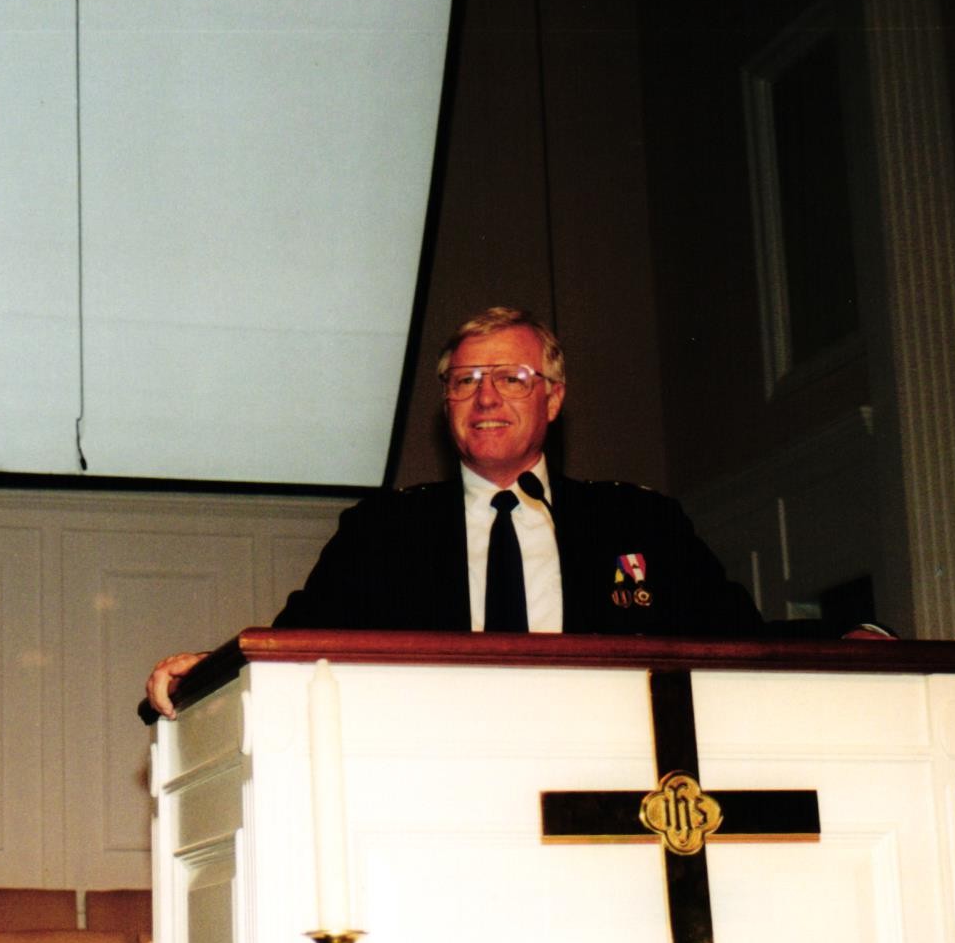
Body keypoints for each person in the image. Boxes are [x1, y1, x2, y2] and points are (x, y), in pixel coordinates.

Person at [147, 305, 780, 717]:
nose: (486, 398)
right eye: (465, 381)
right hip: (442, 789)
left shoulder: (640, 522)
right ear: (446, 402)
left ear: (553, 398)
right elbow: (294, 648)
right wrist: (209, 671)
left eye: (511, 378)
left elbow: (746, 645)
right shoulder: (381, 533)